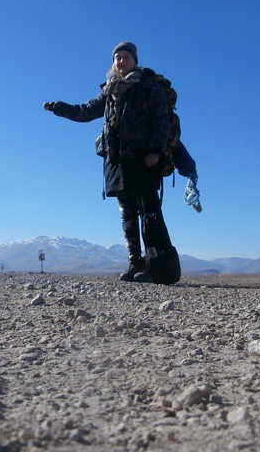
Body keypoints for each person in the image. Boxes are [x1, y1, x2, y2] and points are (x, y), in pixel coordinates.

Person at [43, 41, 179, 283]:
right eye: (118, 58)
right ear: (113, 63)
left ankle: (155, 265)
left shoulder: (147, 86)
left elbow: (161, 122)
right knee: (127, 214)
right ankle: (134, 262)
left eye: (126, 56)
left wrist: (155, 151)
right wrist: (58, 108)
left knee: (149, 213)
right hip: (116, 161)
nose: (122, 61)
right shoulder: (110, 90)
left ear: (135, 60)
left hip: (144, 160)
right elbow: (85, 111)